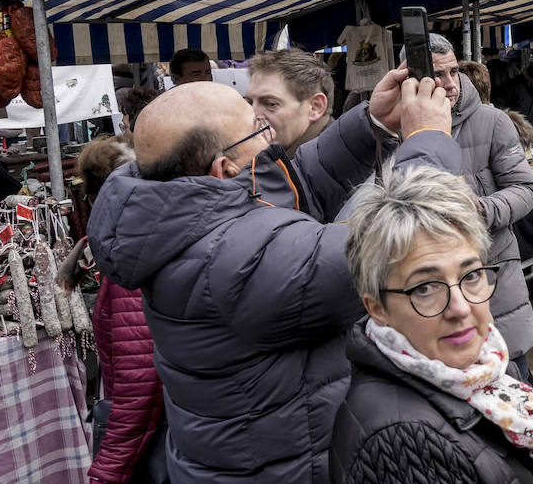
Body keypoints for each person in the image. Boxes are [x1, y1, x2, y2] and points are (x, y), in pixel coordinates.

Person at [87, 68, 460, 484]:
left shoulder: (173, 203)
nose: (268, 136)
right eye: (254, 131)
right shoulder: (237, 256)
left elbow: (291, 179)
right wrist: (428, 138)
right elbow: (400, 239)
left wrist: (370, 121)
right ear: (224, 168)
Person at [330, 165, 533, 484]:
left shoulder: (481, 369)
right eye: (425, 288)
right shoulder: (402, 442)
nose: (461, 308)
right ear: (377, 307)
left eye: (471, 275)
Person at [426, 35, 533, 385]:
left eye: (453, 72)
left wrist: (481, 208)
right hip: (437, 282)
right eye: (437, 76)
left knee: (512, 375)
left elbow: (526, 189)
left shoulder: (492, 121)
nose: (449, 84)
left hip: (493, 274)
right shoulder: (398, 130)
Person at [74, 136, 168, 484]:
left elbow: (137, 385)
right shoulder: (129, 244)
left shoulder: (130, 259)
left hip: (155, 434)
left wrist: (108, 471)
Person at [248, 49, 334, 157]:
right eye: (249, 103)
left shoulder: (332, 166)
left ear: (315, 107)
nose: (252, 114)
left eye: (270, 104)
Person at [493, 61, 533, 149]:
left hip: (519, 145)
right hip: (502, 142)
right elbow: (495, 109)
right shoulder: (514, 87)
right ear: (531, 78)